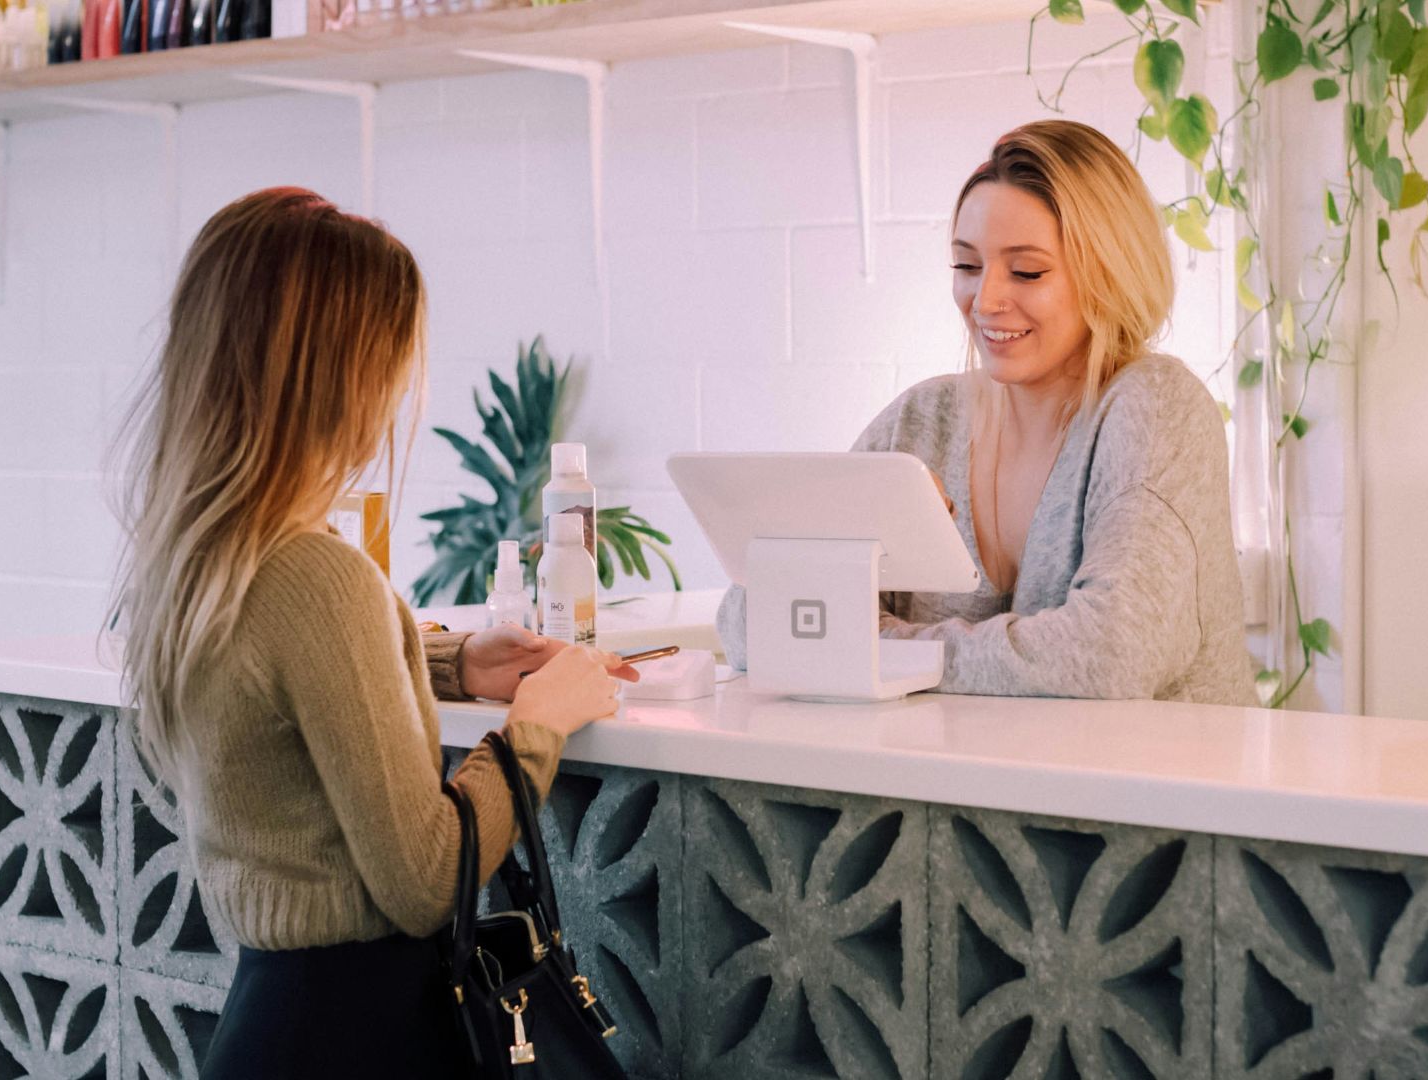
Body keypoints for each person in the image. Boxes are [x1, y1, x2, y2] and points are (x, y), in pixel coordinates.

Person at [108, 187, 635, 1078]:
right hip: (365, 1034)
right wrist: (539, 722)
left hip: (267, 1024)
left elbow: (278, 676)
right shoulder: (317, 575)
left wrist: (451, 662)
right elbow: (427, 877)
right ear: (342, 373)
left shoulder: (195, 559)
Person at [719, 121, 1257, 706]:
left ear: (1110, 272)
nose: (985, 300)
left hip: (1151, 791)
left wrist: (886, 652)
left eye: (1026, 271)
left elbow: (1110, 654)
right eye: (967, 266)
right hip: (968, 790)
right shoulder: (924, 422)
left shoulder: (1155, 408)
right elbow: (749, 626)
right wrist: (855, 543)